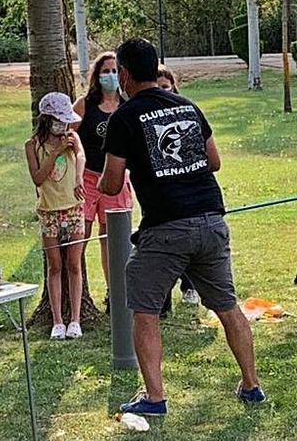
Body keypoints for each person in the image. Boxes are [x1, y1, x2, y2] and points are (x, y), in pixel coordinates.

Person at [99, 38, 264, 416]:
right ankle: (251, 385)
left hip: (166, 229)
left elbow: (110, 183)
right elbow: (214, 161)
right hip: (211, 221)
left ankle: (154, 398)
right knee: (227, 306)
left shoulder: (124, 118)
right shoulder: (187, 106)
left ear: (123, 74)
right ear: (155, 69)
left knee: (145, 310)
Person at [73, 52, 132, 312]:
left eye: (114, 71)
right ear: (97, 76)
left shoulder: (127, 104)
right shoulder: (85, 105)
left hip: (115, 178)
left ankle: (115, 293)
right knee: (80, 237)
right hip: (86, 179)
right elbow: (68, 138)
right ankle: (74, 294)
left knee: (112, 239)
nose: (110, 76)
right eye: (104, 71)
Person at [25, 92, 86, 340]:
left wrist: (80, 176)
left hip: (74, 208)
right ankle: (57, 320)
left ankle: (75, 319)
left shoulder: (73, 139)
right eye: (58, 121)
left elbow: (81, 156)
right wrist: (56, 152)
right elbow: (38, 178)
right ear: (47, 120)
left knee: (74, 264)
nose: (64, 126)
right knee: (55, 265)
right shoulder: (33, 146)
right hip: (49, 211)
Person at [156, 64, 200, 313]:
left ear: (173, 86)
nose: (163, 91)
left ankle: (190, 286)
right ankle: (164, 300)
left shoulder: (186, 111)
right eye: (158, 87)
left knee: (191, 244)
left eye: (166, 86)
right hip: (162, 198)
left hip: (189, 195)